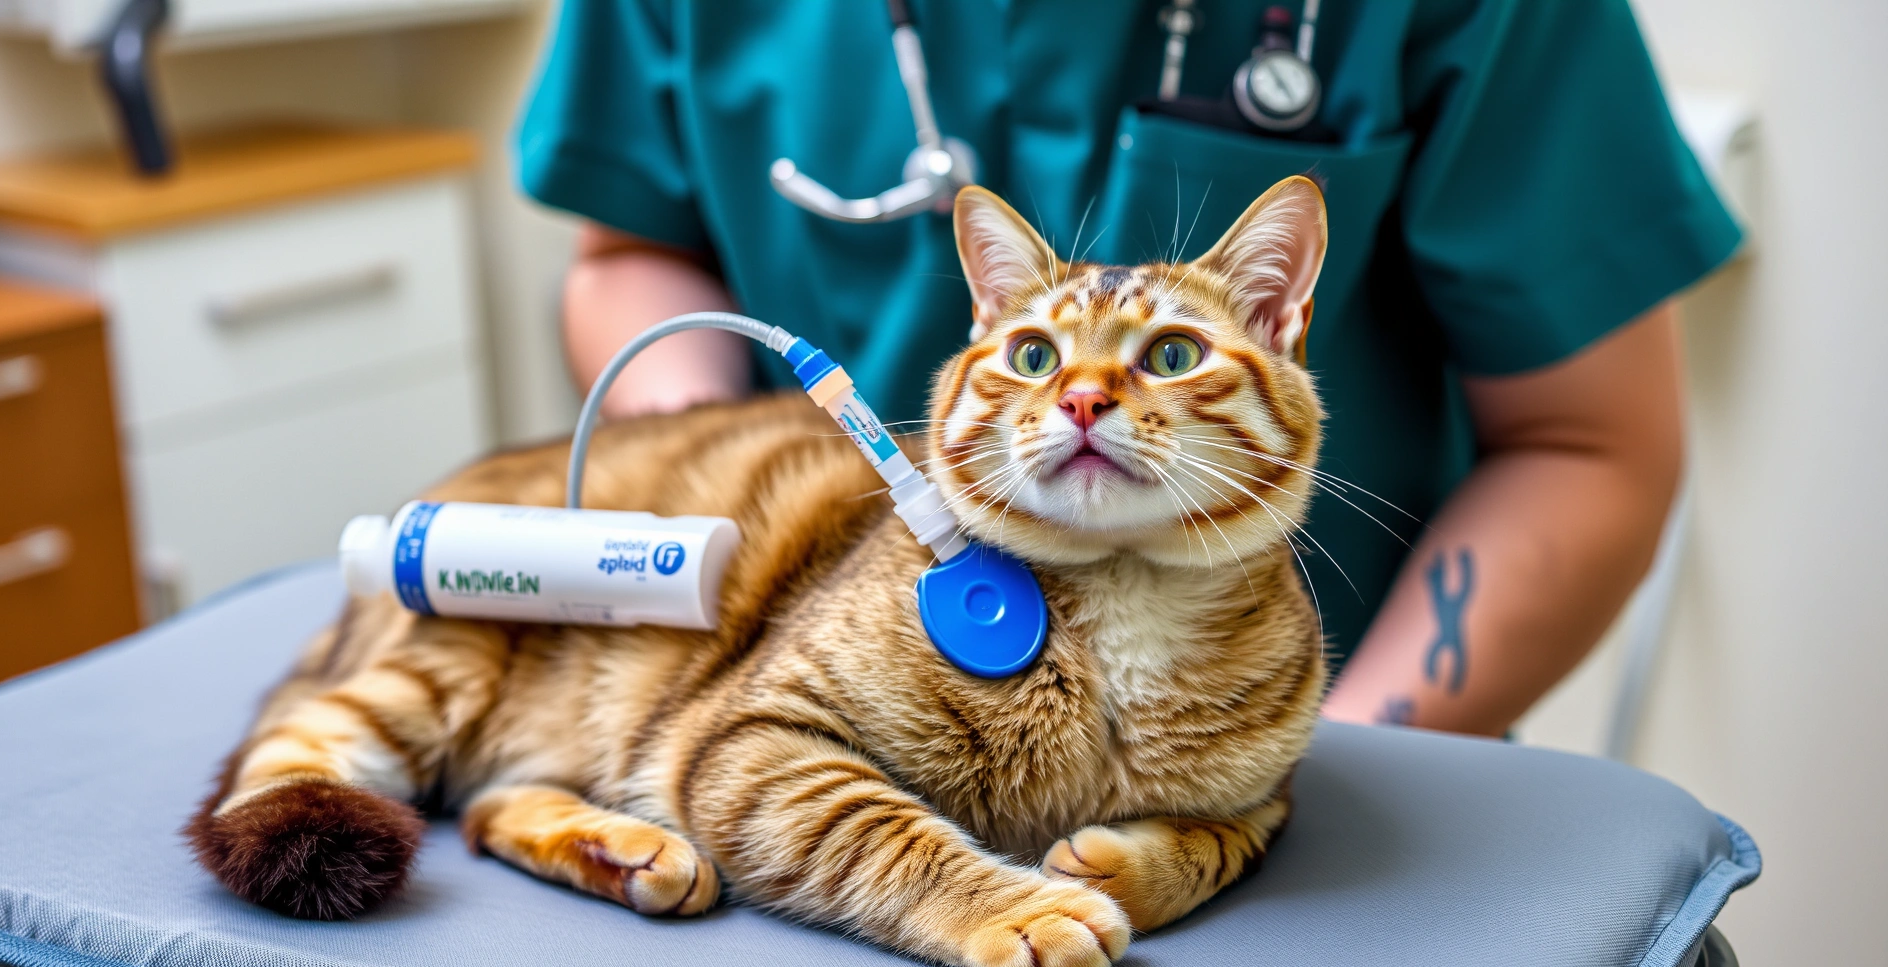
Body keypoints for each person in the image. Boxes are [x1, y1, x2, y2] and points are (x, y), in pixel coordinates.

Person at [515, 0, 1738, 738]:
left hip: (1319, 737)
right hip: (838, 713)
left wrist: (1298, 776)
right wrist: (727, 491)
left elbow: (1590, 444)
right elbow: (629, 255)